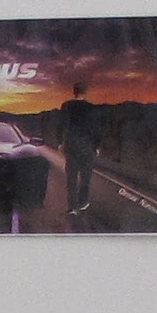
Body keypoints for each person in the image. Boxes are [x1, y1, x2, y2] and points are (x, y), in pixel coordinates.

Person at [54, 83, 102, 226]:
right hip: (87, 146)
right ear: (85, 92)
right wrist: (97, 146)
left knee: (71, 176)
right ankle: (83, 202)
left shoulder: (66, 106)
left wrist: (60, 142)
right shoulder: (91, 107)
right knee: (86, 176)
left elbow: (61, 125)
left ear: (74, 92)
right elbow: (96, 128)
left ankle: (72, 207)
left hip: (71, 145)